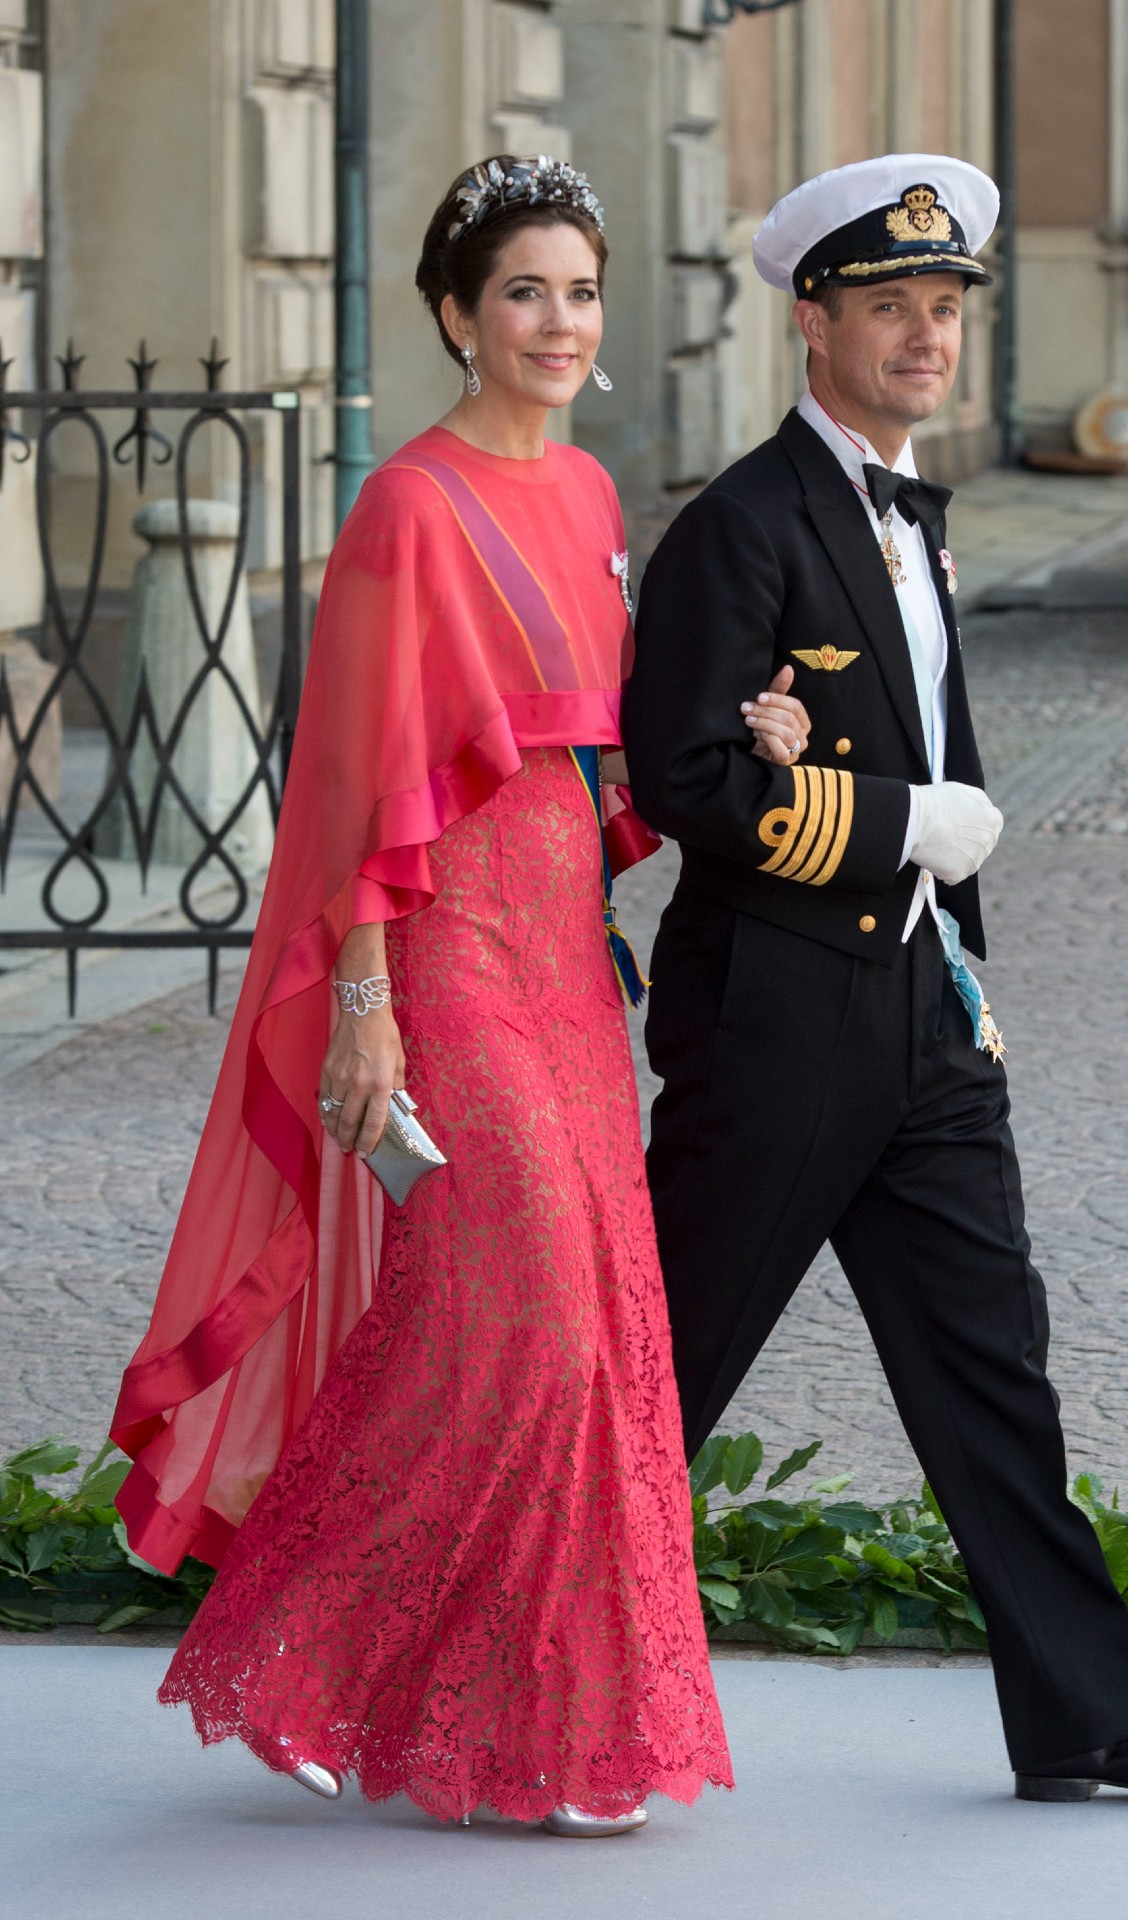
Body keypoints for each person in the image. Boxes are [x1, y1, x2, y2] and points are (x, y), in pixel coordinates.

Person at [109, 153, 816, 1834]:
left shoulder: (586, 499)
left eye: (580, 292)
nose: (558, 321)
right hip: (436, 963)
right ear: (454, 313)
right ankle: (315, 1650)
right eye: (523, 291)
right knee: (529, 1314)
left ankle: (527, 1718)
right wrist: (363, 1010)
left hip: (569, 962)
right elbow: (353, 784)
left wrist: (742, 746)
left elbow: (599, 771)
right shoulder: (407, 509)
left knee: (594, 1344)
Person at [624, 153, 1128, 1803]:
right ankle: (490, 1669)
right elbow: (691, 778)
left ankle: (1094, 1719)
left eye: (942, 307)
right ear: (813, 320)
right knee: (655, 1387)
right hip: (771, 1030)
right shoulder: (739, 527)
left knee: (997, 1375)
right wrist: (904, 822)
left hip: (918, 1020)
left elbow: (929, 742)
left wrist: (963, 976)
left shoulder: (917, 516)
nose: (925, 334)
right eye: (888, 306)